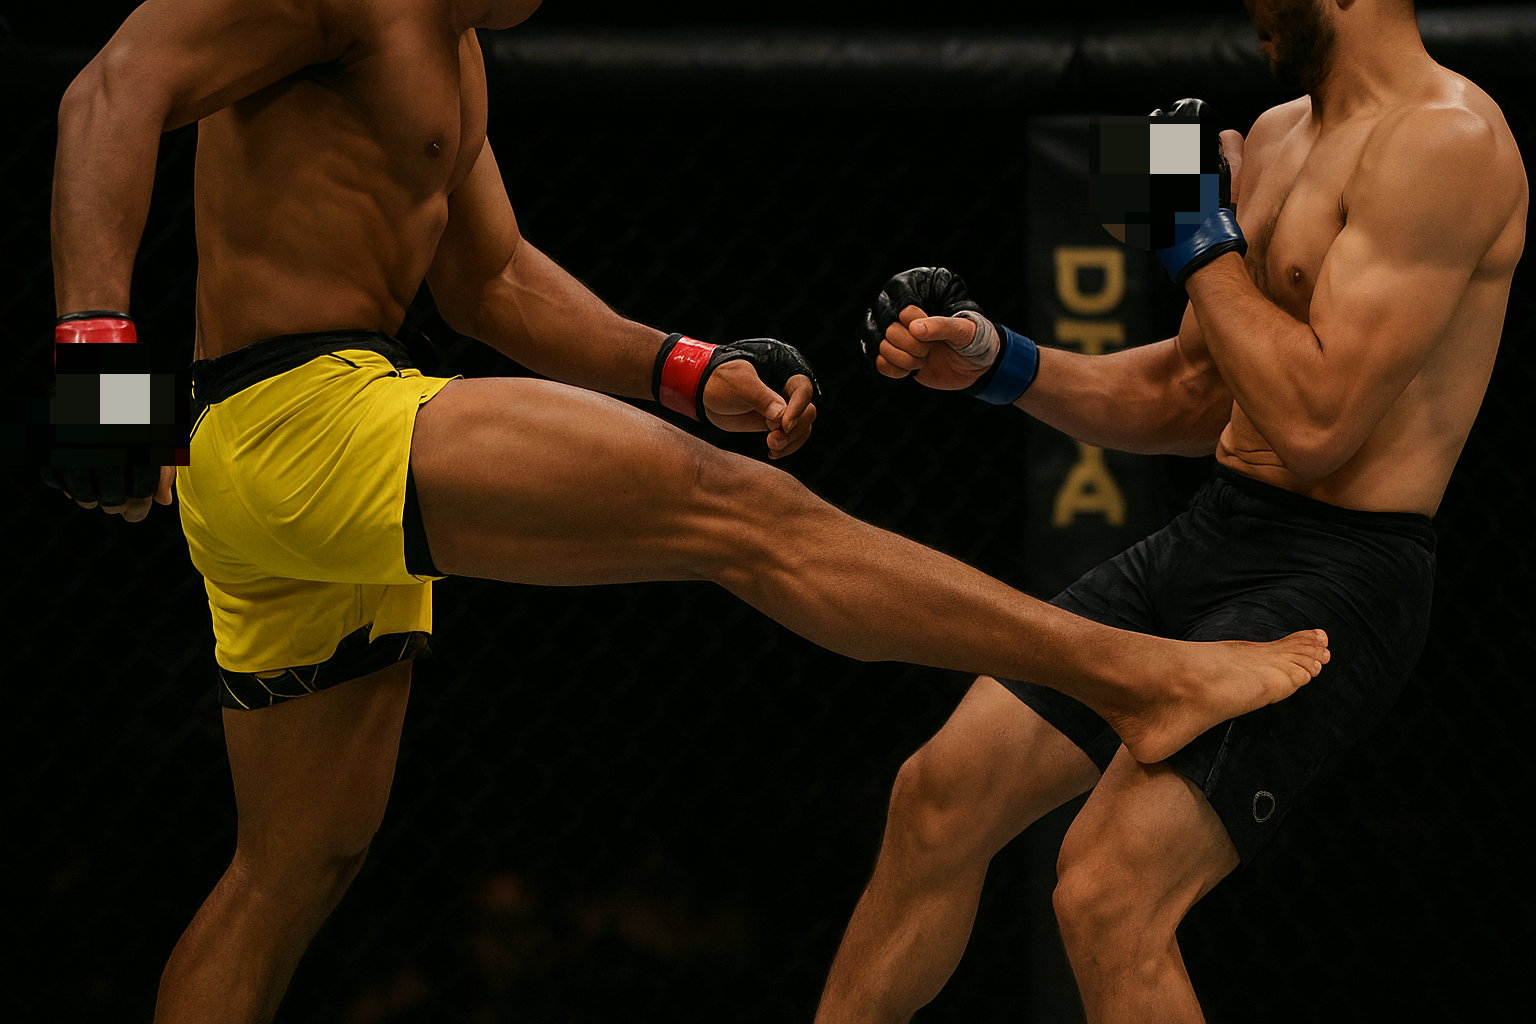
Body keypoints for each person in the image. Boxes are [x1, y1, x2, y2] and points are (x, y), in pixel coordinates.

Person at [47, 1, 1333, 1021]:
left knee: (290, 866)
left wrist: (682, 369)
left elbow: (493, 281)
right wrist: (98, 359)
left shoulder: (451, 52)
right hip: (305, 416)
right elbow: (112, 88)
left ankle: (1130, 671)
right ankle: (1133, 675)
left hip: (279, 472)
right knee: (744, 517)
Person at [814, 1, 1527, 1022]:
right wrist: (996, 360)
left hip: (1339, 573)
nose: (1252, 9)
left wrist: (1197, 242)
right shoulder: (1273, 137)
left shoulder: (1448, 143)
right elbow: (1187, 397)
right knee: (937, 795)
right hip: (1217, 526)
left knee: (1106, 892)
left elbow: (1318, 424)